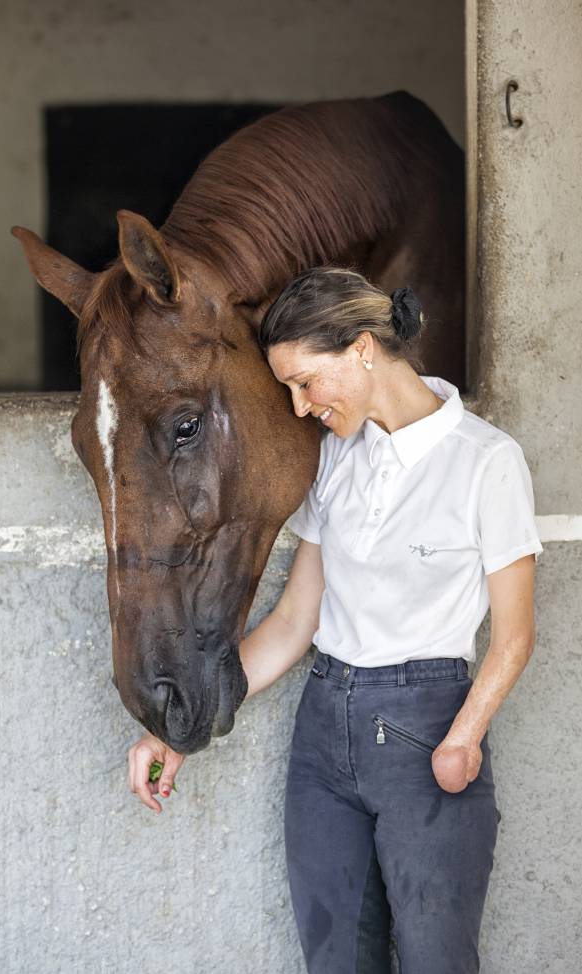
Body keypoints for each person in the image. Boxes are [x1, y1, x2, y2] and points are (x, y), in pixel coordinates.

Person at [127, 267, 543, 974]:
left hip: (426, 725)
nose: (298, 407)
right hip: (323, 729)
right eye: (287, 388)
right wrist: (178, 728)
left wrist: (463, 738)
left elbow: (514, 634)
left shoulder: (485, 461)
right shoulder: (336, 461)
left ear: (359, 349)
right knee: (334, 961)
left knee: (436, 960)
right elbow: (294, 622)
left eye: (304, 382)